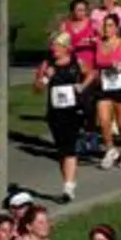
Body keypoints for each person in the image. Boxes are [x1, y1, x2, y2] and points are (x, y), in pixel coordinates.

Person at [35, 34, 90, 199]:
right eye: (53, 46)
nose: (54, 49)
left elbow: (91, 73)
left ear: (67, 48)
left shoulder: (76, 62)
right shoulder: (47, 64)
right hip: (55, 112)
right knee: (61, 150)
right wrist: (46, 77)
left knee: (70, 147)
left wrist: (82, 86)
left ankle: (68, 187)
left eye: (58, 46)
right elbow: (36, 89)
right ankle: (68, 181)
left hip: (73, 110)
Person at [92, 15, 121, 168]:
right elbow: (96, 64)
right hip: (104, 86)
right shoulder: (99, 43)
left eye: (110, 25)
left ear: (116, 28)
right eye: (105, 25)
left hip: (119, 86)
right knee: (104, 120)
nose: (107, 29)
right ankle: (110, 149)